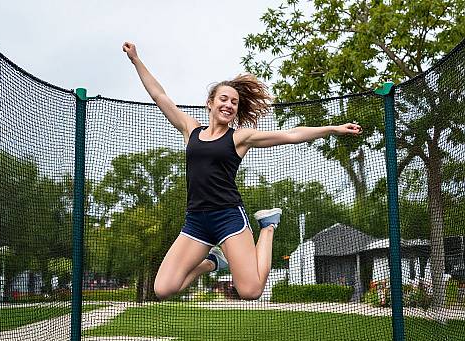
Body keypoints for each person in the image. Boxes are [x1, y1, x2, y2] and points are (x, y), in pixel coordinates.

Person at [122, 42, 362, 301]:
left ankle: (268, 226)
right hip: (196, 221)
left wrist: (334, 128)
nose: (229, 105)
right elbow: (160, 96)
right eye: (223, 99)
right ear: (210, 103)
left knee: (251, 291)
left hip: (228, 218)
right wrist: (136, 60)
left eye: (234, 102)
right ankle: (212, 262)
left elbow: (291, 135)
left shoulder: (240, 138)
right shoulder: (190, 129)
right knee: (164, 289)